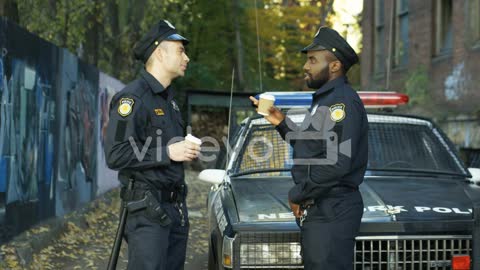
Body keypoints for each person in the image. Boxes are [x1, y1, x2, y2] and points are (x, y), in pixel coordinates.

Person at [250, 26, 368, 269]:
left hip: (332, 211)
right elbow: (312, 147)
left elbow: (336, 163)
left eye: (313, 60)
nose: (306, 66)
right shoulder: (327, 100)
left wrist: (298, 194)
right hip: (324, 210)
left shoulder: (341, 102)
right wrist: (281, 121)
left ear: (334, 65)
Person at [104, 19, 200, 270]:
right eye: (180, 50)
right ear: (159, 52)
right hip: (148, 212)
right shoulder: (132, 98)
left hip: (175, 209)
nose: (186, 57)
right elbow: (116, 154)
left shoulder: (170, 100)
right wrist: (168, 152)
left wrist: (181, 150)